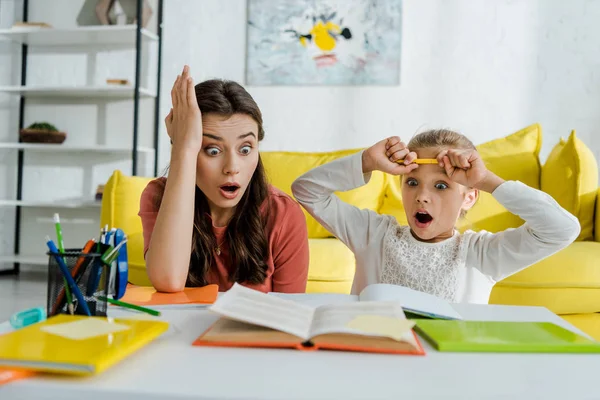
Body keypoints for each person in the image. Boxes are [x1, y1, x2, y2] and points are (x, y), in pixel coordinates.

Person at [291, 129, 580, 303]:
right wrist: (366, 161)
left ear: (469, 196)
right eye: (412, 182)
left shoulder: (481, 255)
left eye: (441, 186)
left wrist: (489, 181)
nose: (422, 196)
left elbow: (562, 229)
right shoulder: (373, 235)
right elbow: (306, 190)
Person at [139, 65, 309, 293]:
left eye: (246, 149)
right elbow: (168, 281)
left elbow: (290, 315)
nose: (232, 168)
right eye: (212, 150)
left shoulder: (283, 214)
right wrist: (183, 147)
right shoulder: (158, 196)